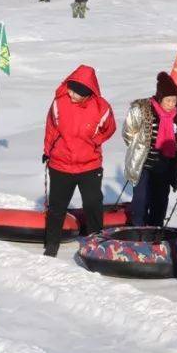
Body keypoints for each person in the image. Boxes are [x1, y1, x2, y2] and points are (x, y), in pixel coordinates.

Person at [42, 66, 116, 256]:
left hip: (89, 165)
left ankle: (96, 246)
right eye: (70, 89)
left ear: (88, 93)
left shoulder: (102, 108)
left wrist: (96, 140)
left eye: (76, 93)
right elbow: (51, 129)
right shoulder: (59, 103)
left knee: (92, 204)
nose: (71, 94)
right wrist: (47, 151)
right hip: (61, 164)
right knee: (57, 206)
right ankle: (51, 245)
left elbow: (110, 128)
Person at [123, 72, 177, 227]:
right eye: (168, 100)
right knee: (141, 201)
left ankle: (156, 231)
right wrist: (138, 147)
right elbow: (128, 133)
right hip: (144, 165)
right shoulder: (142, 110)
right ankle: (138, 230)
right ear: (160, 97)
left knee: (160, 202)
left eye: (174, 100)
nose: (171, 104)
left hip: (166, 166)